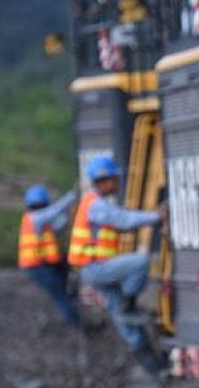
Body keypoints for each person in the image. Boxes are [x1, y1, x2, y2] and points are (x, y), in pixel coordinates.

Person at [69, 155, 165, 374]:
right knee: (140, 263)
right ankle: (129, 301)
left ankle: (152, 365)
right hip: (97, 269)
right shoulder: (96, 205)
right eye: (114, 179)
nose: (118, 183)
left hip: (93, 270)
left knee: (122, 319)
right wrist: (157, 217)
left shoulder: (93, 204)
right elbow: (124, 220)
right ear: (104, 180)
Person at [18, 185, 80, 327]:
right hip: (38, 268)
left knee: (68, 262)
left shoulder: (41, 222)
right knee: (61, 297)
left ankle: (73, 297)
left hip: (46, 264)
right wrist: (72, 195)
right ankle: (80, 327)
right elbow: (55, 212)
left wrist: (73, 213)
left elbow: (60, 224)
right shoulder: (35, 219)